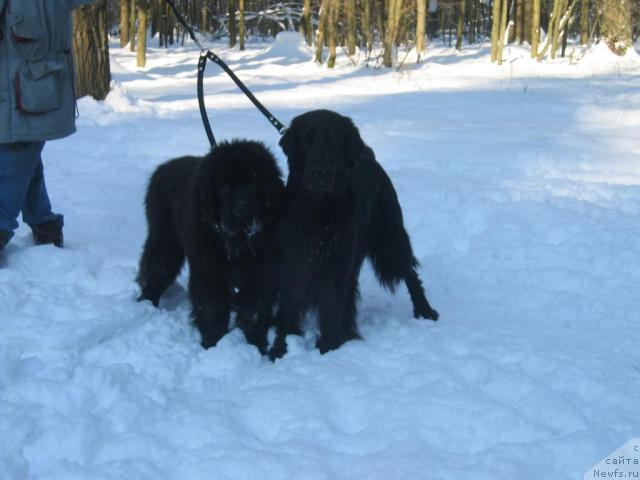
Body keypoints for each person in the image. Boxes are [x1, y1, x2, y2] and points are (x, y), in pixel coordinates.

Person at [0, 0, 96, 259]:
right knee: (21, 153)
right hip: (13, 87)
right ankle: (44, 224)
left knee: (16, 154)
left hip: (33, 88)